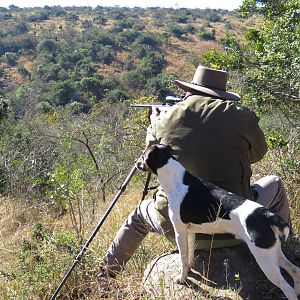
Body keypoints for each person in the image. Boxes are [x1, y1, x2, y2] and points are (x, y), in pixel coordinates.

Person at [98, 65, 291, 278]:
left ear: (190, 89)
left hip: (181, 226)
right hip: (239, 225)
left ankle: (106, 274)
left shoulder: (166, 118)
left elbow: (149, 161)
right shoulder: (243, 117)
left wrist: (153, 124)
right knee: (275, 183)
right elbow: (257, 155)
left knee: (138, 216)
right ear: (221, 93)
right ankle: (282, 247)